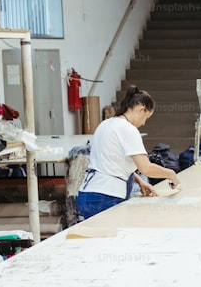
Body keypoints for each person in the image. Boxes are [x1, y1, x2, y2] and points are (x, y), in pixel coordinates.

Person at [76, 86, 180, 220]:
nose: (143, 123)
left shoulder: (105, 124)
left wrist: (140, 181)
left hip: (87, 194)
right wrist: (171, 174)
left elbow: (111, 164)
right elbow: (146, 168)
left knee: (98, 238)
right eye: (146, 118)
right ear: (141, 109)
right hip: (105, 196)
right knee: (113, 238)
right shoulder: (128, 129)